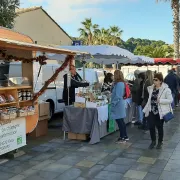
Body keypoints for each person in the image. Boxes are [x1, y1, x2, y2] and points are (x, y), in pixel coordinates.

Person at [143, 73, 173, 149]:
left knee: (159, 127)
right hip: (151, 110)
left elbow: (170, 100)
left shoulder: (166, 89)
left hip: (160, 112)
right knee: (151, 126)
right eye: (153, 79)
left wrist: (161, 100)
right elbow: (149, 99)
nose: (154, 81)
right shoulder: (151, 88)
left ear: (160, 81)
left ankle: (160, 142)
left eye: (156, 80)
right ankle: (153, 141)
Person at [111, 70, 128, 143]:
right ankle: (124, 136)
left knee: (120, 121)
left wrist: (113, 103)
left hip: (118, 104)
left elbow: (117, 96)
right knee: (121, 121)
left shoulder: (119, 84)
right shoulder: (120, 83)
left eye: (114, 75)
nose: (113, 76)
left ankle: (122, 137)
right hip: (120, 103)